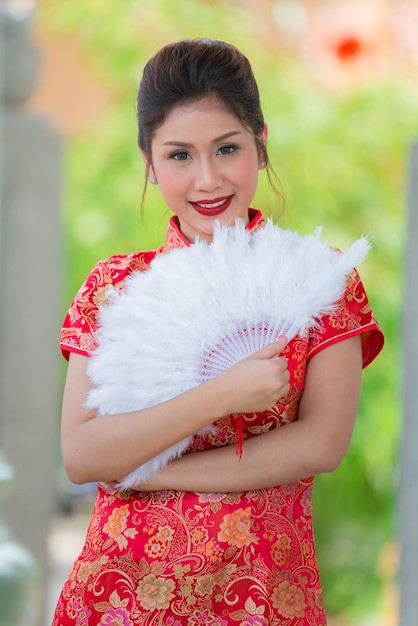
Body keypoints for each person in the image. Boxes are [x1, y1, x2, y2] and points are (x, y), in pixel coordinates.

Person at [53, 39, 384, 626]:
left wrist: (149, 470)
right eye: (179, 155)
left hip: (262, 595)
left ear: (260, 145)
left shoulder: (323, 279)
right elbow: (82, 455)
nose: (207, 179)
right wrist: (220, 395)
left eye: (226, 148)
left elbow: (320, 446)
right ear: (150, 165)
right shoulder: (115, 285)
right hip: (120, 594)